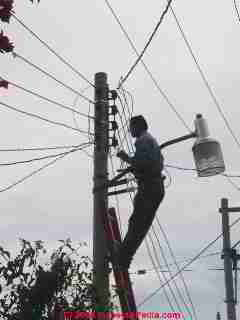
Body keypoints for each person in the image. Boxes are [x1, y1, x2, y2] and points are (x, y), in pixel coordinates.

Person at [115, 115, 165, 270]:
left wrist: (126, 158)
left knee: (137, 224)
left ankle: (123, 257)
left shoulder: (143, 141)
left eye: (131, 127)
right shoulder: (151, 141)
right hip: (156, 187)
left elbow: (141, 163)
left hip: (149, 187)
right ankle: (125, 256)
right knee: (141, 225)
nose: (130, 130)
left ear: (138, 126)